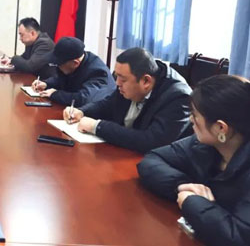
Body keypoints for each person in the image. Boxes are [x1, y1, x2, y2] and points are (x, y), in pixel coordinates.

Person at [137, 75, 250, 246]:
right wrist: (181, 185)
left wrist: (190, 201)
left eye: (195, 115)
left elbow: (239, 237)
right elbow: (152, 160)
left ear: (221, 128)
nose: (190, 119)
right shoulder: (204, 144)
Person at [62, 47, 191, 153]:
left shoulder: (178, 97)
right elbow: (108, 104)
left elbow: (151, 141)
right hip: (124, 152)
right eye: (116, 76)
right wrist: (82, 111)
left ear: (146, 81)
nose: (117, 83)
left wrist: (97, 127)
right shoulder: (134, 76)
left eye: (122, 79)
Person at [33, 37, 115, 107]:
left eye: (59, 63)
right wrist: (46, 83)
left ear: (75, 63)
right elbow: (62, 79)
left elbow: (83, 99)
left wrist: (55, 94)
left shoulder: (98, 73)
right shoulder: (72, 64)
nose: (57, 66)